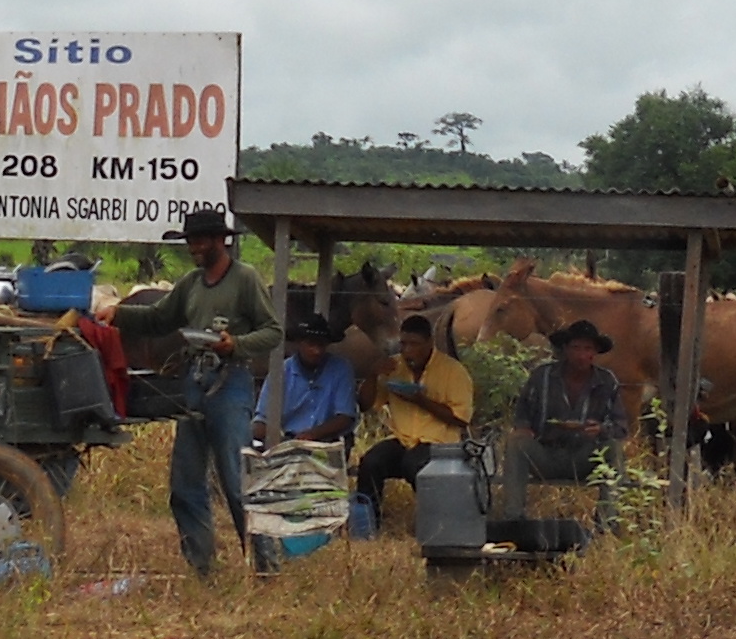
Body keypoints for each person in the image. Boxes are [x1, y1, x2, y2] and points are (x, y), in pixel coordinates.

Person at [110, 207, 280, 576]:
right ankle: (201, 565)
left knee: (236, 480)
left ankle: (266, 565)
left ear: (221, 241)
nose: (194, 248)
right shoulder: (190, 284)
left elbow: (272, 331)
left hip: (231, 382)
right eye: (190, 241)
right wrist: (117, 314)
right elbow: (158, 319)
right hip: (194, 382)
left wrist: (235, 344)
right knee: (185, 483)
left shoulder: (246, 280)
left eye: (201, 241)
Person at [351, 311, 474, 534]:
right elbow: (365, 405)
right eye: (403, 344)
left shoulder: (453, 372)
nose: (407, 351)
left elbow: (460, 418)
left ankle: (436, 527)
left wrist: (421, 400)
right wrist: (372, 375)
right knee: (370, 462)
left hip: (438, 443)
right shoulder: (394, 368)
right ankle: (367, 528)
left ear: (429, 343)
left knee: (414, 464)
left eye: (414, 344)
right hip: (402, 439)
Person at [510, 318, 629, 518]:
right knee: (515, 444)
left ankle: (608, 522)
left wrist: (601, 429)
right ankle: (513, 518)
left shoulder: (607, 381)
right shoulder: (542, 376)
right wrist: (523, 429)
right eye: (576, 348)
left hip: (586, 460)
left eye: (587, 348)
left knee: (614, 449)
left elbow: (621, 427)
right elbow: (522, 413)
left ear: (595, 352)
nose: (581, 355)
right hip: (546, 455)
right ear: (565, 349)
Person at [280, 314, 359, 446]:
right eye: (311, 344)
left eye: (321, 345)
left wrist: (312, 435)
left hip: (329, 441)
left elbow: (346, 417)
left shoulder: (341, 368)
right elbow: (262, 418)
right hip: (288, 441)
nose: (317, 351)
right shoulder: (283, 370)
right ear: (299, 343)